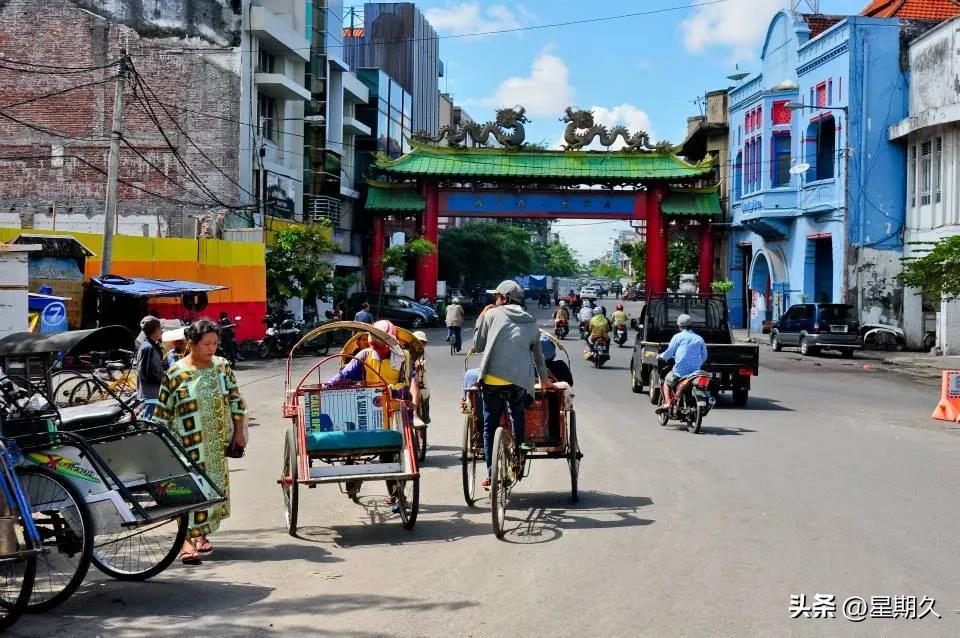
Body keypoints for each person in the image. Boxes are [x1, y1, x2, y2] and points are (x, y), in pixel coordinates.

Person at [152, 319, 247, 565]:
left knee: (210, 489)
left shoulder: (222, 367)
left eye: (215, 343)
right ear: (191, 343)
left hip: (215, 444)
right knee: (185, 491)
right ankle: (185, 540)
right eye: (207, 344)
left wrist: (238, 432)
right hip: (183, 444)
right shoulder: (175, 373)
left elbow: (236, 401)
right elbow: (162, 413)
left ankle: (201, 534)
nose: (212, 348)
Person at [473, 280, 551, 488]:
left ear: (504, 298)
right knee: (517, 415)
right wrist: (543, 379)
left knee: (490, 426)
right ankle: (519, 455)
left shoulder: (490, 315)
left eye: (497, 297)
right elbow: (538, 355)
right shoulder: (531, 321)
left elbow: (478, 346)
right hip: (519, 382)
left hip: (491, 379)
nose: (495, 301)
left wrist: (481, 318)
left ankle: (490, 474)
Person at [657, 313, 708, 411]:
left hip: (679, 371)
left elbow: (669, 353)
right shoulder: (699, 338)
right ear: (691, 325)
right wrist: (697, 364)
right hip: (695, 372)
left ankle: (667, 402)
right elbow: (704, 356)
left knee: (666, 382)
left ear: (679, 326)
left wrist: (660, 356)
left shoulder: (677, 337)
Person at [135, 318, 165, 418]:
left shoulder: (150, 346)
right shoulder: (148, 347)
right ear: (155, 330)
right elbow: (147, 372)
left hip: (151, 390)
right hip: (151, 391)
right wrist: (162, 377)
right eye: (160, 328)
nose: (161, 331)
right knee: (150, 419)